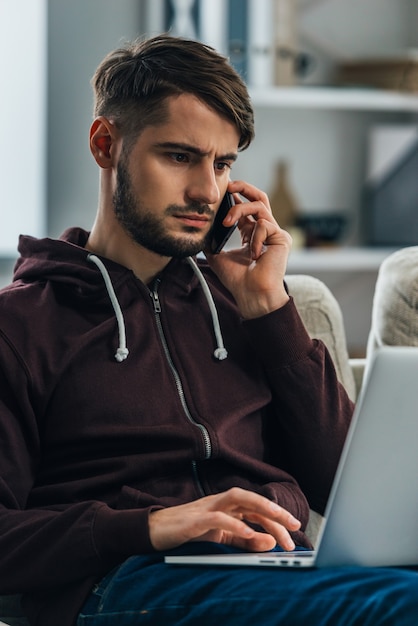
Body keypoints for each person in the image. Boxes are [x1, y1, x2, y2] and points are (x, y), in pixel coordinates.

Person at [0, 34, 417, 626]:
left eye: (222, 164)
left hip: (273, 568)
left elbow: (352, 490)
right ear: (105, 144)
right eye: (178, 156)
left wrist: (271, 310)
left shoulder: (240, 305)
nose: (206, 191)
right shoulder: (23, 324)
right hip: (127, 580)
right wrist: (150, 527)